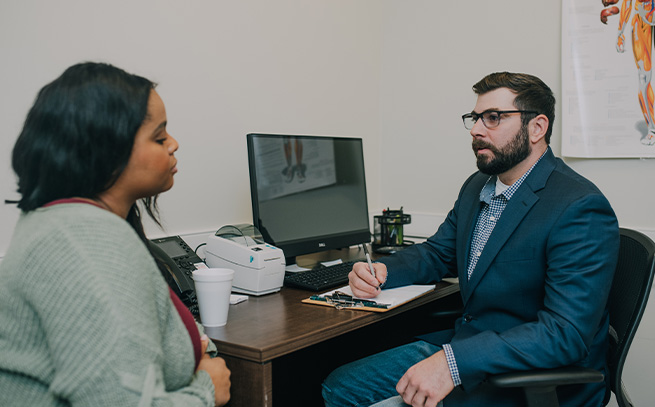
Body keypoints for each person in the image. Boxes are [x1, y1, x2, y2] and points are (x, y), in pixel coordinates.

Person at [322, 72, 620, 407]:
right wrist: (381, 271)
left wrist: (453, 364)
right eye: (475, 118)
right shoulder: (478, 185)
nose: (477, 130)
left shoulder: (578, 207)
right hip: (467, 345)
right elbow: (437, 254)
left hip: (527, 379)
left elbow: (564, 334)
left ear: (537, 128)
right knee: (340, 386)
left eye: (493, 118)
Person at [0, 62, 231, 406]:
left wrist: (200, 349)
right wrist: (205, 391)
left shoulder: (69, 223)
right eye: (159, 136)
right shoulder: (86, 239)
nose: (174, 144)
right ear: (106, 149)